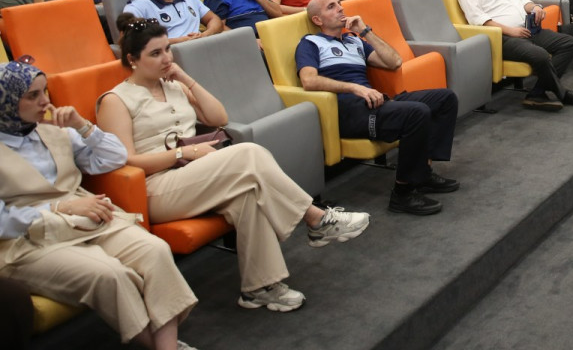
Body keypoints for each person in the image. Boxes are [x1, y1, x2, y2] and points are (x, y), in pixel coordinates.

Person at [96, 18, 370, 313]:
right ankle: (316, 219)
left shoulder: (173, 86)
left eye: (167, 50)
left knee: (247, 195)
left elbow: (219, 118)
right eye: (155, 53)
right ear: (132, 60)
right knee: (248, 153)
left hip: (193, 174)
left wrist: (187, 79)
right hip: (155, 188)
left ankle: (259, 288)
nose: (166, 58)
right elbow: (127, 161)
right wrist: (183, 153)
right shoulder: (115, 100)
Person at [0, 60, 199, 349]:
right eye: (33, 95)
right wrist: (59, 209)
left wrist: (82, 126)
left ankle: (166, 347)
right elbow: (3, 223)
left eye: (44, 91)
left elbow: (115, 158)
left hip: (87, 216)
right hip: (26, 239)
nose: (44, 101)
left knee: (154, 250)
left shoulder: (53, 127)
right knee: (109, 275)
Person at [299, 0, 459, 215]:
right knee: (417, 112)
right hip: (348, 110)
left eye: (339, 4)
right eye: (331, 7)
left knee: (445, 98)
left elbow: (394, 61)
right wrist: (355, 88)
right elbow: (308, 80)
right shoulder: (310, 43)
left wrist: (364, 31)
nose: (340, 9)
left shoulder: (355, 40)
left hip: (374, 102)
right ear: (318, 20)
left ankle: (423, 173)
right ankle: (402, 193)